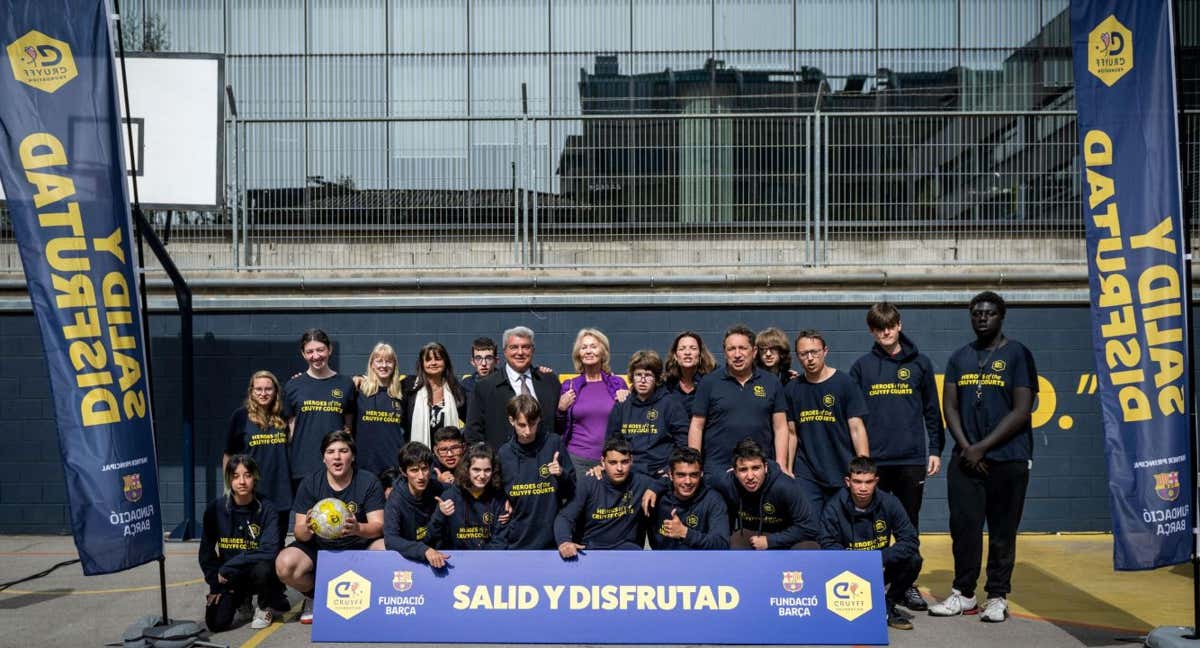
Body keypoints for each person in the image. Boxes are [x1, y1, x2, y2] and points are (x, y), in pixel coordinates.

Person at [929, 291, 1037, 623]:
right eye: (976, 313)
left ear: (1001, 316)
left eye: (988, 313)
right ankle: (964, 594)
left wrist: (982, 447)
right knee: (964, 529)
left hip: (1008, 460)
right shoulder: (960, 357)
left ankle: (997, 595)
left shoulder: (1018, 354)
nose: (982, 318)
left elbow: (1022, 410)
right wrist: (967, 447)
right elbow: (950, 407)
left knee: (1003, 531)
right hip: (965, 462)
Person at [849, 302, 944, 611]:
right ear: (871, 331)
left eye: (889, 325)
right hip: (874, 462)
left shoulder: (921, 364)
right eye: (879, 327)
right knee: (870, 526)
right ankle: (869, 581)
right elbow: (852, 417)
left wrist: (935, 450)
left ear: (899, 325)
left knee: (907, 525)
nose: (885, 331)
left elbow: (932, 411)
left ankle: (905, 584)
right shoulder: (862, 366)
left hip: (910, 460)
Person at [275, 430, 385, 624]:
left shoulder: (369, 481)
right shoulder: (310, 483)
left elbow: (378, 526)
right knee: (285, 565)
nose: (337, 457)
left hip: (358, 545)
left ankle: (372, 599)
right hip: (320, 548)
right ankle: (314, 596)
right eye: (330, 451)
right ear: (323, 458)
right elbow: (299, 532)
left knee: (387, 549)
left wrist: (358, 528)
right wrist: (308, 529)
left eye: (343, 451)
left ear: (353, 456)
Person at [820, 456, 922, 631]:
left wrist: (878, 558)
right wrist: (855, 560)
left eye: (868, 482)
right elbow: (827, 544)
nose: (863, 488)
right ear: (848, 481)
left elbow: (910, 540)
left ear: (876, 481)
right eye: (857, 482)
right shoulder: (833, 507)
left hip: (879, 566)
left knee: (914, 559)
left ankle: (887, 604)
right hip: (847, 569)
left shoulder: (890, 503)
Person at [199, 455, 290, 631]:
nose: (241, 481)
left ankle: (265, 607)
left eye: (247, 475)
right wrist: (214, 584)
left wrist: (230, 564)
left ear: (254, 477)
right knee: (216, 623)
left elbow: (270, 551)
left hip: (257, 573)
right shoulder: (215, 510)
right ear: (228, 479)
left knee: (264, 569)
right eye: (235, 476)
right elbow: (206, 552)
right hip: (231, 577)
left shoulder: (267, 509)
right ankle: (242, 600)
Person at [688, 324, 791, 477]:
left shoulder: (771, 382)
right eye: (731, 349)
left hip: (759, 471)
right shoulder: (709, 382)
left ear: (754, 351)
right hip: (718, 471)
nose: (737, 354)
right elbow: (696, 426)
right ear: (725, 353)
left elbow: (781, 427)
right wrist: (694, 465)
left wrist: (781, 464)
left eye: (743, 348)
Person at [786, 329, 870, 515]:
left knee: (839, 529)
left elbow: (857, 428)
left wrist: (864, 468)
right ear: (798, 356)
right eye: (804, 354)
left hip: (841, 470)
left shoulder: (845, 383)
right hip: (807, 473)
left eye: (814, 352)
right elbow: (791, 434)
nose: (810, 358)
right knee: (811, 527)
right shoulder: (792, 389)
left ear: (825, 351)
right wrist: (788, 469)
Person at [498, 394, 576, 549]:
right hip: (517, 541)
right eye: (522, 425)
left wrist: (561, 474)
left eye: (532, 424)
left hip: (552, 542)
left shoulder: (554, 444)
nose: (528, 431)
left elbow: (572, 491)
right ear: (511, 421)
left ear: (539, 419)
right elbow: (498, 493)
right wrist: (503, 502)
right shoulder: (504, 454)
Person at [466, 326, 562, 449]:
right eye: (514, 347)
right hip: (502, 463)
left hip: (544, 460)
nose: (520, 352)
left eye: (526, 347)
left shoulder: (549, 381)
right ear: (505, 351)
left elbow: (560, 424)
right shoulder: (485, 387)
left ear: (533, 350)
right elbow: (473, 433)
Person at [282, 329, 356, 490]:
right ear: (303, 354)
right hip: (303, 467)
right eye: (310, 351)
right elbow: (291, 430)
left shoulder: (346, 384)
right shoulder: (293, 385)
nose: (315, 356)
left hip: (337, 467)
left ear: (330, 349)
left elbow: (348, 428)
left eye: (320, 350)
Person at [554, 436, 651, 557]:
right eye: (613, 462)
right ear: (603, 462)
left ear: (631, 460)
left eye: (624, 462)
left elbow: (667, 480)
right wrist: (564, 542)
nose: (619, 468)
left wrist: (655, 489)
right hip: (590, 549)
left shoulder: (641, 482)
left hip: (627, 550)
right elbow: (565, 517)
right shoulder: (588, 483)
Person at [224, 371, 291, 536]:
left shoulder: (284, 415)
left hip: (280, 490)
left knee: (277, 540)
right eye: (258, 389)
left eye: (268, 389)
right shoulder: (240, 416)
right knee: (252, 539)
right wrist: (228, 486)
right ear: (251, 392)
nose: (263, 393)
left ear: (276, 391)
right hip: (251, 490)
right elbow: (228, 454)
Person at [558, 328, 629, 476]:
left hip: (611, 460)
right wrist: (561, 410)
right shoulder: (569, 385)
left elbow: (628, 421)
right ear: (579, 354)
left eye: (593, 346)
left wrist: (626, 400)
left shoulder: (618, 384)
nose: (588, 351)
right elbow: (559, 426)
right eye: (584, 347)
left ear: (603, 352)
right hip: (576, 459)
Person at [605, 350, 688, 477]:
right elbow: (611, 443)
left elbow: (683, 443)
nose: (642, 380)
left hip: (659, 474)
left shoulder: (671, 404)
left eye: (648, 375)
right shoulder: (621, 405)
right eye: (638, 374)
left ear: (657, 378)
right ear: (632, 377)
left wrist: (670, 467)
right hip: (628, 473)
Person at [429, 443, 511, 549]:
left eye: (487, 470)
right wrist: (440, 515)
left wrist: (479, 561)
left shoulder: (498, 498)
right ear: (467, 469)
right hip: (455, 561)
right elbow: (431, 539)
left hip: (488, 560)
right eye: (476, 470)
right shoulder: (450, 496)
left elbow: (501, 541)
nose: (482, 476)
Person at [383, 442, 451, 567]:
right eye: (414, 470)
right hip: (409, 556)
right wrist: (424, 550)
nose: (421, 476)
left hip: (440, 550)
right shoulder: (396, 499)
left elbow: (464, 491)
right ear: (403, 472)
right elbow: (391, 540)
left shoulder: (437, 488)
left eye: (424, 469)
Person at [647, 447, 729, 550]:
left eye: (694, 475)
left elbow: (722, 544)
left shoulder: (713, 500)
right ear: (670, 475)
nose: (688, 481)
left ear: (701, 474)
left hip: (700, 562)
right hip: (664, 562)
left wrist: (685, 533)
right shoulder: (656, 498)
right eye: (681, 475)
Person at [353, 342, 407, 477]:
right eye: (379, 361)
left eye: (388, 361)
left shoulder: (402, 393)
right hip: (364, 465)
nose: (384, 365)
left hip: (393, 466)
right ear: (372, 364)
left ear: (394, 365)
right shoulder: (358, 390)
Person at [400, 342, 466, 447]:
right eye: (428, 359)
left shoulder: (456, 390)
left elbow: (471, 421)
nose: (433, 363)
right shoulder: (408, 386)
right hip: (416, 455)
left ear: (445, 362)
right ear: (422, 364)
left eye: (438, 359)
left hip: (448, 456)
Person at [663, 331, 716, 415]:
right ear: (675, 356)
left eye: (693, 348)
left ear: (700, 355)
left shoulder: (712, 382)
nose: (687, 353)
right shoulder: (666, 385)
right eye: (682, 349)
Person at [460, 337, 498, 414]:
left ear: (496, 361)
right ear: (472, 361)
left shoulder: (505, 382)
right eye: (478, 358)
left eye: (488, 358)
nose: (483, 363)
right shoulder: (466, 385)